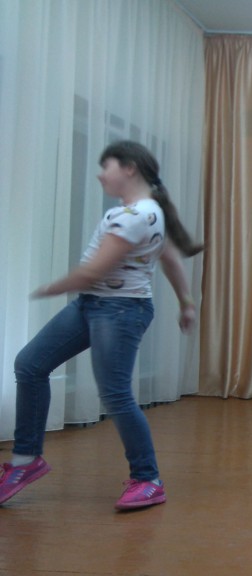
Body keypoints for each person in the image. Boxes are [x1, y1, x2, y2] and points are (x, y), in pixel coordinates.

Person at [0, 140, 202, 511]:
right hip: (93, 306)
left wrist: (49, 288)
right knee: (30, 364)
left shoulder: (136, 215)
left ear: (129, 168)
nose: (99, 174)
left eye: (105, 165)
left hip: (120, 311)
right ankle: (26, 460)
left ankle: (148, 479)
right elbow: (171, 258)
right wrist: (187, 303)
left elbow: (93, 271)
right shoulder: (145, 212)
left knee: (115, 394)